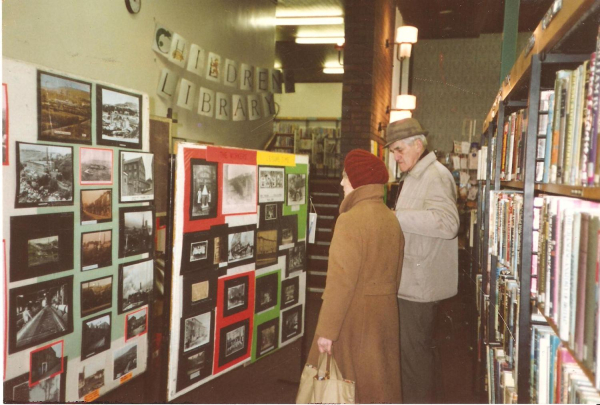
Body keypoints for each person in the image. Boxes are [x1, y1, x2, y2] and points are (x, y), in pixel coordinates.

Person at [301, 149, 404, 403]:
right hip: (384, 320)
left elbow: (340, 284)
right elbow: (397, 274)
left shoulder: (349, 220)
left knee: (346, 390)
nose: (341, 182)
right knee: (380, 386)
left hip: (352, 321)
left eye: (345, 176)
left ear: (357, 181)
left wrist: (327, 331)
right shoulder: (391, 219)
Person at [385, 117, 460, 403]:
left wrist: (395, 218)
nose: (396, 156)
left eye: (399, 149)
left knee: (413, 358)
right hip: (415, 280)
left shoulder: (434, 175)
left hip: (420, 284)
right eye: (393, 151)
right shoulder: (418, 175)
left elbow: (447, 223)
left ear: (418, 145)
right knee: (417, 354)